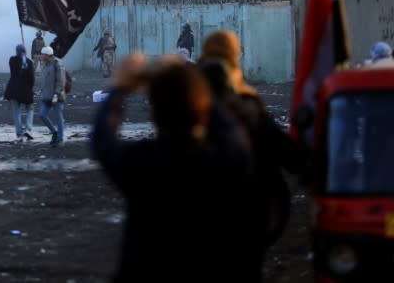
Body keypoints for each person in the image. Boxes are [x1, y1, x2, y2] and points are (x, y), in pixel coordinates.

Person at [91, 54, 253, 282]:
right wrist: (189, 81)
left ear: (154, 115)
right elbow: (227, 127)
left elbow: (102, 140)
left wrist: (119, 88)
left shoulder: (143, 162)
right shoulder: (225, 158)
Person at [199, 30, 305, 277]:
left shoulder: (184, 103)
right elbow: (283, 150)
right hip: (249, 216)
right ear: (233, 57)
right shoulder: (246, 106)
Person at [4, 44, 35, 142]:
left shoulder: (12, 60)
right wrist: (24, 63)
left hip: (13, 89)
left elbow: (14, 71)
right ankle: (28, 129)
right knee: (30, 108)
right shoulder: (29, 62)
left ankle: (18, 131)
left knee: (16, 111)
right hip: (25, 90)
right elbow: (31, 79)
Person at [38, 46, 66, 147]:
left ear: (47, 55)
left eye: (42, 54)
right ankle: (54, 132)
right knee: (42, 114)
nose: (41, 56)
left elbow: (61, 81)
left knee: (59, 118)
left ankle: (60, 139)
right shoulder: (45, 65)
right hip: (47, 96)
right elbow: (45, 81)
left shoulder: (57, 64)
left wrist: (56, 93)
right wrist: (42, 92)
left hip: (56, 96)